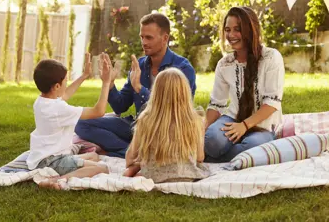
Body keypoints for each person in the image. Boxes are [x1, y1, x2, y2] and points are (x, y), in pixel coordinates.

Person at [75, 13, 197, 158]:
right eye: (142, 37)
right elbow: (120, 106)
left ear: (165, 38)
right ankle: (132, 152)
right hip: (138, 126)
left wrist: (139, 88)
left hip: (166, 131)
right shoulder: (140, 65)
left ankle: (129, 151)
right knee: (81, 123)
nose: (144, 42)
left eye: (149, 37)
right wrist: (110, 83)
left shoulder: (182, 69)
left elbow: (173, 109)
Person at [204, 6, 285, 163]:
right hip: (233, 117)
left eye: (237, 29)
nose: (231, 35)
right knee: (213, 141)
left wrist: (244, 126)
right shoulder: (224, 64)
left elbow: (272, 102)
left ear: (250, 30)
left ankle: (210, 157)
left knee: (251, 146)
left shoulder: (271, 57)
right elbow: (216, 103)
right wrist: (204, 130)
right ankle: (215, 151)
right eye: (227, 29)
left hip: (264, 124)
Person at [26, 53, 111, 190]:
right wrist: (106, 83)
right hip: (53, 161)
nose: (67, 83)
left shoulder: (42, 101)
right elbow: (98, 111)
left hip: (42, 156)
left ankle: (62, 174)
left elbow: (64, 96)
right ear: (57, 86)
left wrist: (84, 75)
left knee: (94, 156)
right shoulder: (59, 109)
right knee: (102, 168)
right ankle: (56, 180)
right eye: (66, 80)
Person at [123, 68, 208, 183]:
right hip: (187, 175)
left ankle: (141, 168)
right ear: (185, 92)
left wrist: (136, 164)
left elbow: (130, 157)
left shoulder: (146, 119)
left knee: (135, 167)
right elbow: (200, 158)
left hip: (154, 177)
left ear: (156, 93)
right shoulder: (196, 120)